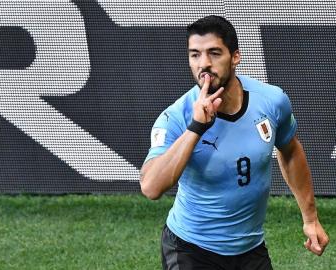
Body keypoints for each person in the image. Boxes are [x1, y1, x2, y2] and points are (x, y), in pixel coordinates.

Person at [140, 15, 329, 270]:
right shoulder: (176, 117)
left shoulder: (271, 101)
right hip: (191, 250)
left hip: (250, 248)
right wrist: (196, 128)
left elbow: (291, 150)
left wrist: (310, 217)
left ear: (235, 56)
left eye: (214, 53)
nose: (203, 64)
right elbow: (151, 187)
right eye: (195, 55)